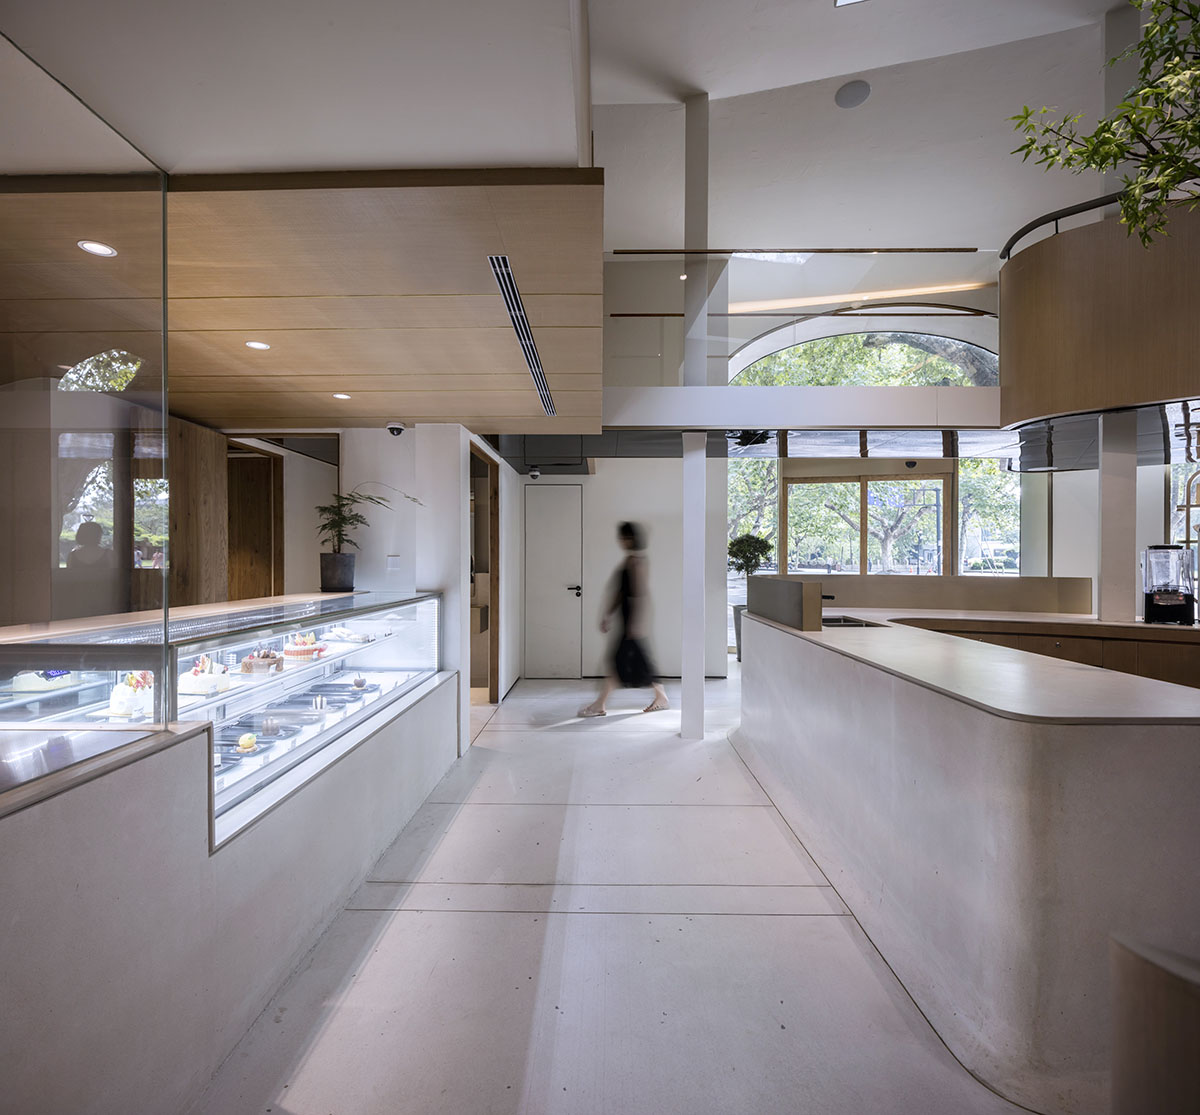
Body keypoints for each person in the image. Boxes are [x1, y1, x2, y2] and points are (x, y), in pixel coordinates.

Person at [578, 521, 669, 717]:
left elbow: (639, 593)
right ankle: (660, 697)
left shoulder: (636, 561)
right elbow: (620, 592)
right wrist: (609, 614)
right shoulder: (630, 560)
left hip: (631, 621)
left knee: (620, 661)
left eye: (625, 537)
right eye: (622, 537)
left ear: (632, 538)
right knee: (633, 661)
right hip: (627, 618)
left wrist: (635, 623)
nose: (622, 541)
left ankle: (600, 705)